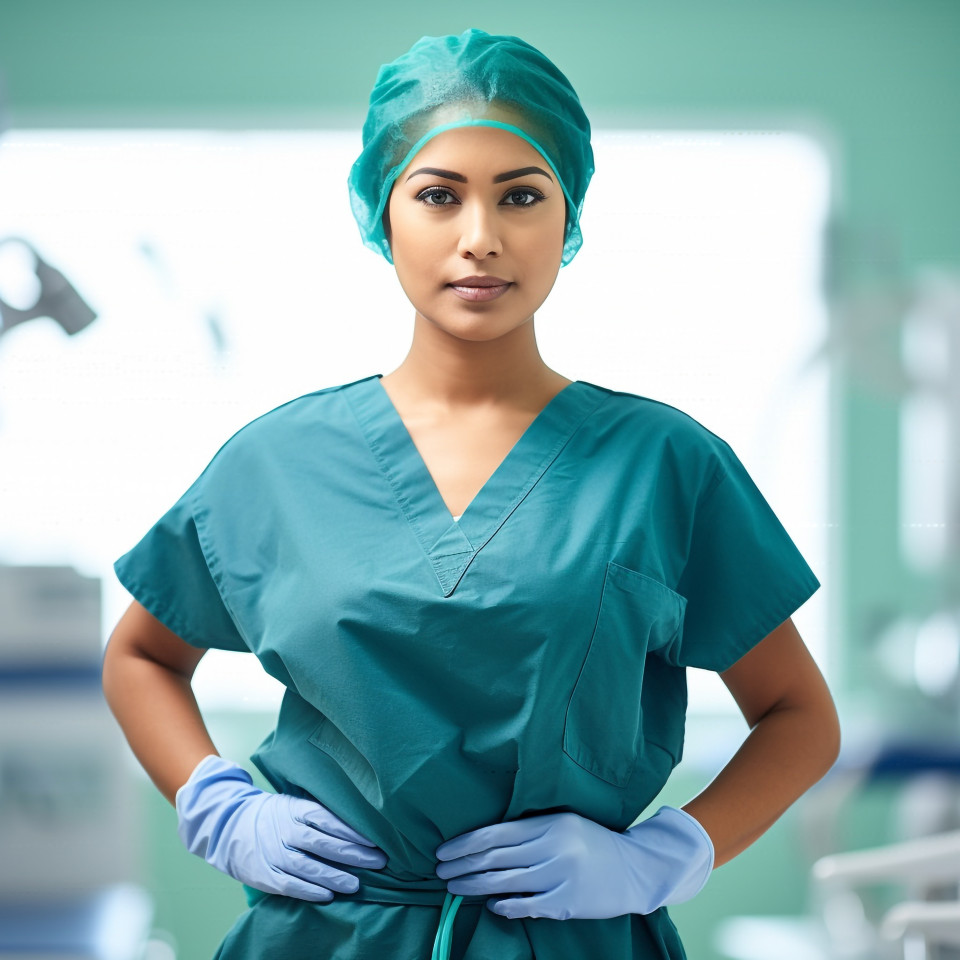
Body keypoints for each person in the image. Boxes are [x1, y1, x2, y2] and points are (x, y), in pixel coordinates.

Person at [102, 27, 841, 960]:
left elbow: (800, 716)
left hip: (573, 939)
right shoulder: (274, 463)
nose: (480, 239)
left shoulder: (666, 464)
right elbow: (140, 655)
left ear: (567, 217)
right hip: (325, 938)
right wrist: (217, 805)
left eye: (521, 195)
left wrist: (665, 855)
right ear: (383, 213)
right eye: (439, 196)